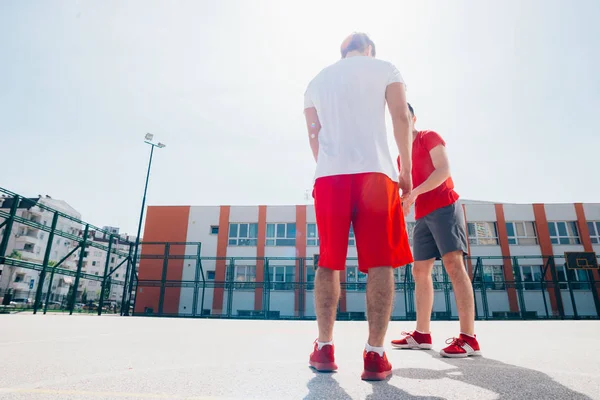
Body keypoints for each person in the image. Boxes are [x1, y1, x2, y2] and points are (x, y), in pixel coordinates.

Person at [303, 32, 413, 381]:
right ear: (370, 50)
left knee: (329, 261)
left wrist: (325, 166)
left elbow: (313, 132)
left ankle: (324, 347)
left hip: (331, 177)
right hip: (376, 173)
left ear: (343, 51)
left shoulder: (316, 81)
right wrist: (406, 170)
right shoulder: (385, 68)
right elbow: (400, 116)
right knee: (381, 262)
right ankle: (375, 355)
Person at [391, 103, 481, 358]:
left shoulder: (428, 137)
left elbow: (443, 170)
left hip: (444, 205)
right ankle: (421, 334)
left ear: (413, 118)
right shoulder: (401, 157)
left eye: (404, 117)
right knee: (419, 270)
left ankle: (468, 338)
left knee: (453, 264)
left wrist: (415, 193)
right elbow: (405, 188)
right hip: (422, 216)